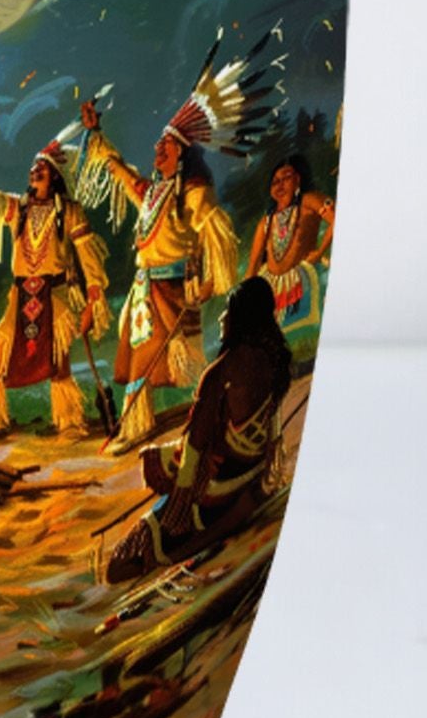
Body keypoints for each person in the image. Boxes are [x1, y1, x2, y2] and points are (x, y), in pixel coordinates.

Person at [77, 32, 279, 453]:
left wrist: (209, 282)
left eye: (166, 144)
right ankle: (145, 422)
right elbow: (119, 170)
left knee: (157, 359)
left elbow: (216, 231)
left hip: (171, 288)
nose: (158, 148)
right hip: (144, 289)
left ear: (182, 153)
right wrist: (96, 134)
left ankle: (170, 421)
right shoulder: (153, 192)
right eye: (158, 143)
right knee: (139, 358)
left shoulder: (193, 192)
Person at [106, 275, 294, 581]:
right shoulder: (277, 362)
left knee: (118, 566)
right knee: (159, 456)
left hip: (219, 489)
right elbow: (270, 430)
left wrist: (179, 505)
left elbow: (194, 447)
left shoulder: (221, 372)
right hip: (251, 473)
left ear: (241, 318)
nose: (221, 318)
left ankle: (180, 535)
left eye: (228, 311)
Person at [0, 135, 110, 438]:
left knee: (58, 362)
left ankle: (69, 423)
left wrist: (94, 299)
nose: (34, 171)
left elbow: (88, 255)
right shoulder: (19, 208)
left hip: (56, 295)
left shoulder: (70, 211)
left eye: (42, 167)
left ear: (54, 175)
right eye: (33, 167)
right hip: (21, 296)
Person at [246, 152, 335, 361]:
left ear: (298, 179)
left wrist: (320, 251)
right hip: (272, 290)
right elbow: (252, 266)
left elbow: (337, 219)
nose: (280, 185)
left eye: (286, 178)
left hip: (305, 280)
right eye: (275, 182)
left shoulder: (310, 200)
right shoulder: (266, 222)